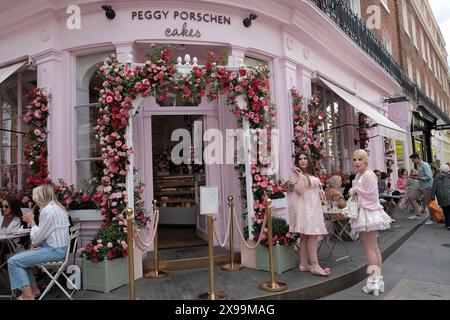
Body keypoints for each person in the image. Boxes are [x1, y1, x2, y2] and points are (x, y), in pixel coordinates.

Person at [7, 185, 70, 300]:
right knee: (20, 258)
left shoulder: (47, 211)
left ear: (41, 196)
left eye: (35, 196)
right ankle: (34, 290)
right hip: (61, 249)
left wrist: (31, 221)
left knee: (13, 261)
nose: (34, 199)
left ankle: (28, 296)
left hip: (54, 251)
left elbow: (37, 239)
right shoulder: (58, 207)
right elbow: (46, 234)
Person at [349, 150, 393, 296]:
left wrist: (355, 190)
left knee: (370, 249)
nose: (356, 162)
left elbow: (371, 195)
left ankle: (373, 282)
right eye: (354, 159)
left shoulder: (368, 174)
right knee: (373, 248)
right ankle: (378, 281)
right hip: (365, 212)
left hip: (368, 213)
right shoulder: (359, 174)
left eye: (360, 159)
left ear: (366, 160)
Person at [289, 153, 331, 277]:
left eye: (305, 158)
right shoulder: (296, 175)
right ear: (297, 162)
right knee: (312, 235)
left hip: (313, 208)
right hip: (306, 210)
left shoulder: (310, 175)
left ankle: (304, 264)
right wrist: (299, 175)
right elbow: (300, 191)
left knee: (306, 236)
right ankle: (315, 265)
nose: (302, 161)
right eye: (300, 159)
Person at [409, 154, 434, 224]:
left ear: (417, 158)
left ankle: (432, 219)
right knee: (411, 197)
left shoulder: (425, 165)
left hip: (427, 186)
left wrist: (420, 178)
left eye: (413, 160)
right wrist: (416, 176)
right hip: (421, 186)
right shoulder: (418, 165)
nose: (412, 161)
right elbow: (422, 175)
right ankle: (418, 214)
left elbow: (430, 176)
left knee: (428, 203)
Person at [0, 196, 26, 263]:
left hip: (10, 244)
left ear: (13, 206)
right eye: (2, 206)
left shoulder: (18, 220)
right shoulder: (0, 214)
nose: (3, 208)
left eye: (6, 206)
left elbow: (10, 235)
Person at [431, 164, 450, 230]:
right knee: (449, 210)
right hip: (448, 195)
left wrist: (432, 196)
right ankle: (448, 224)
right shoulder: (449, 176)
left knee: (445, 209)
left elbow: (434, 188)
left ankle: (447, 223)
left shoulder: (436, 177)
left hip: (440, 196)